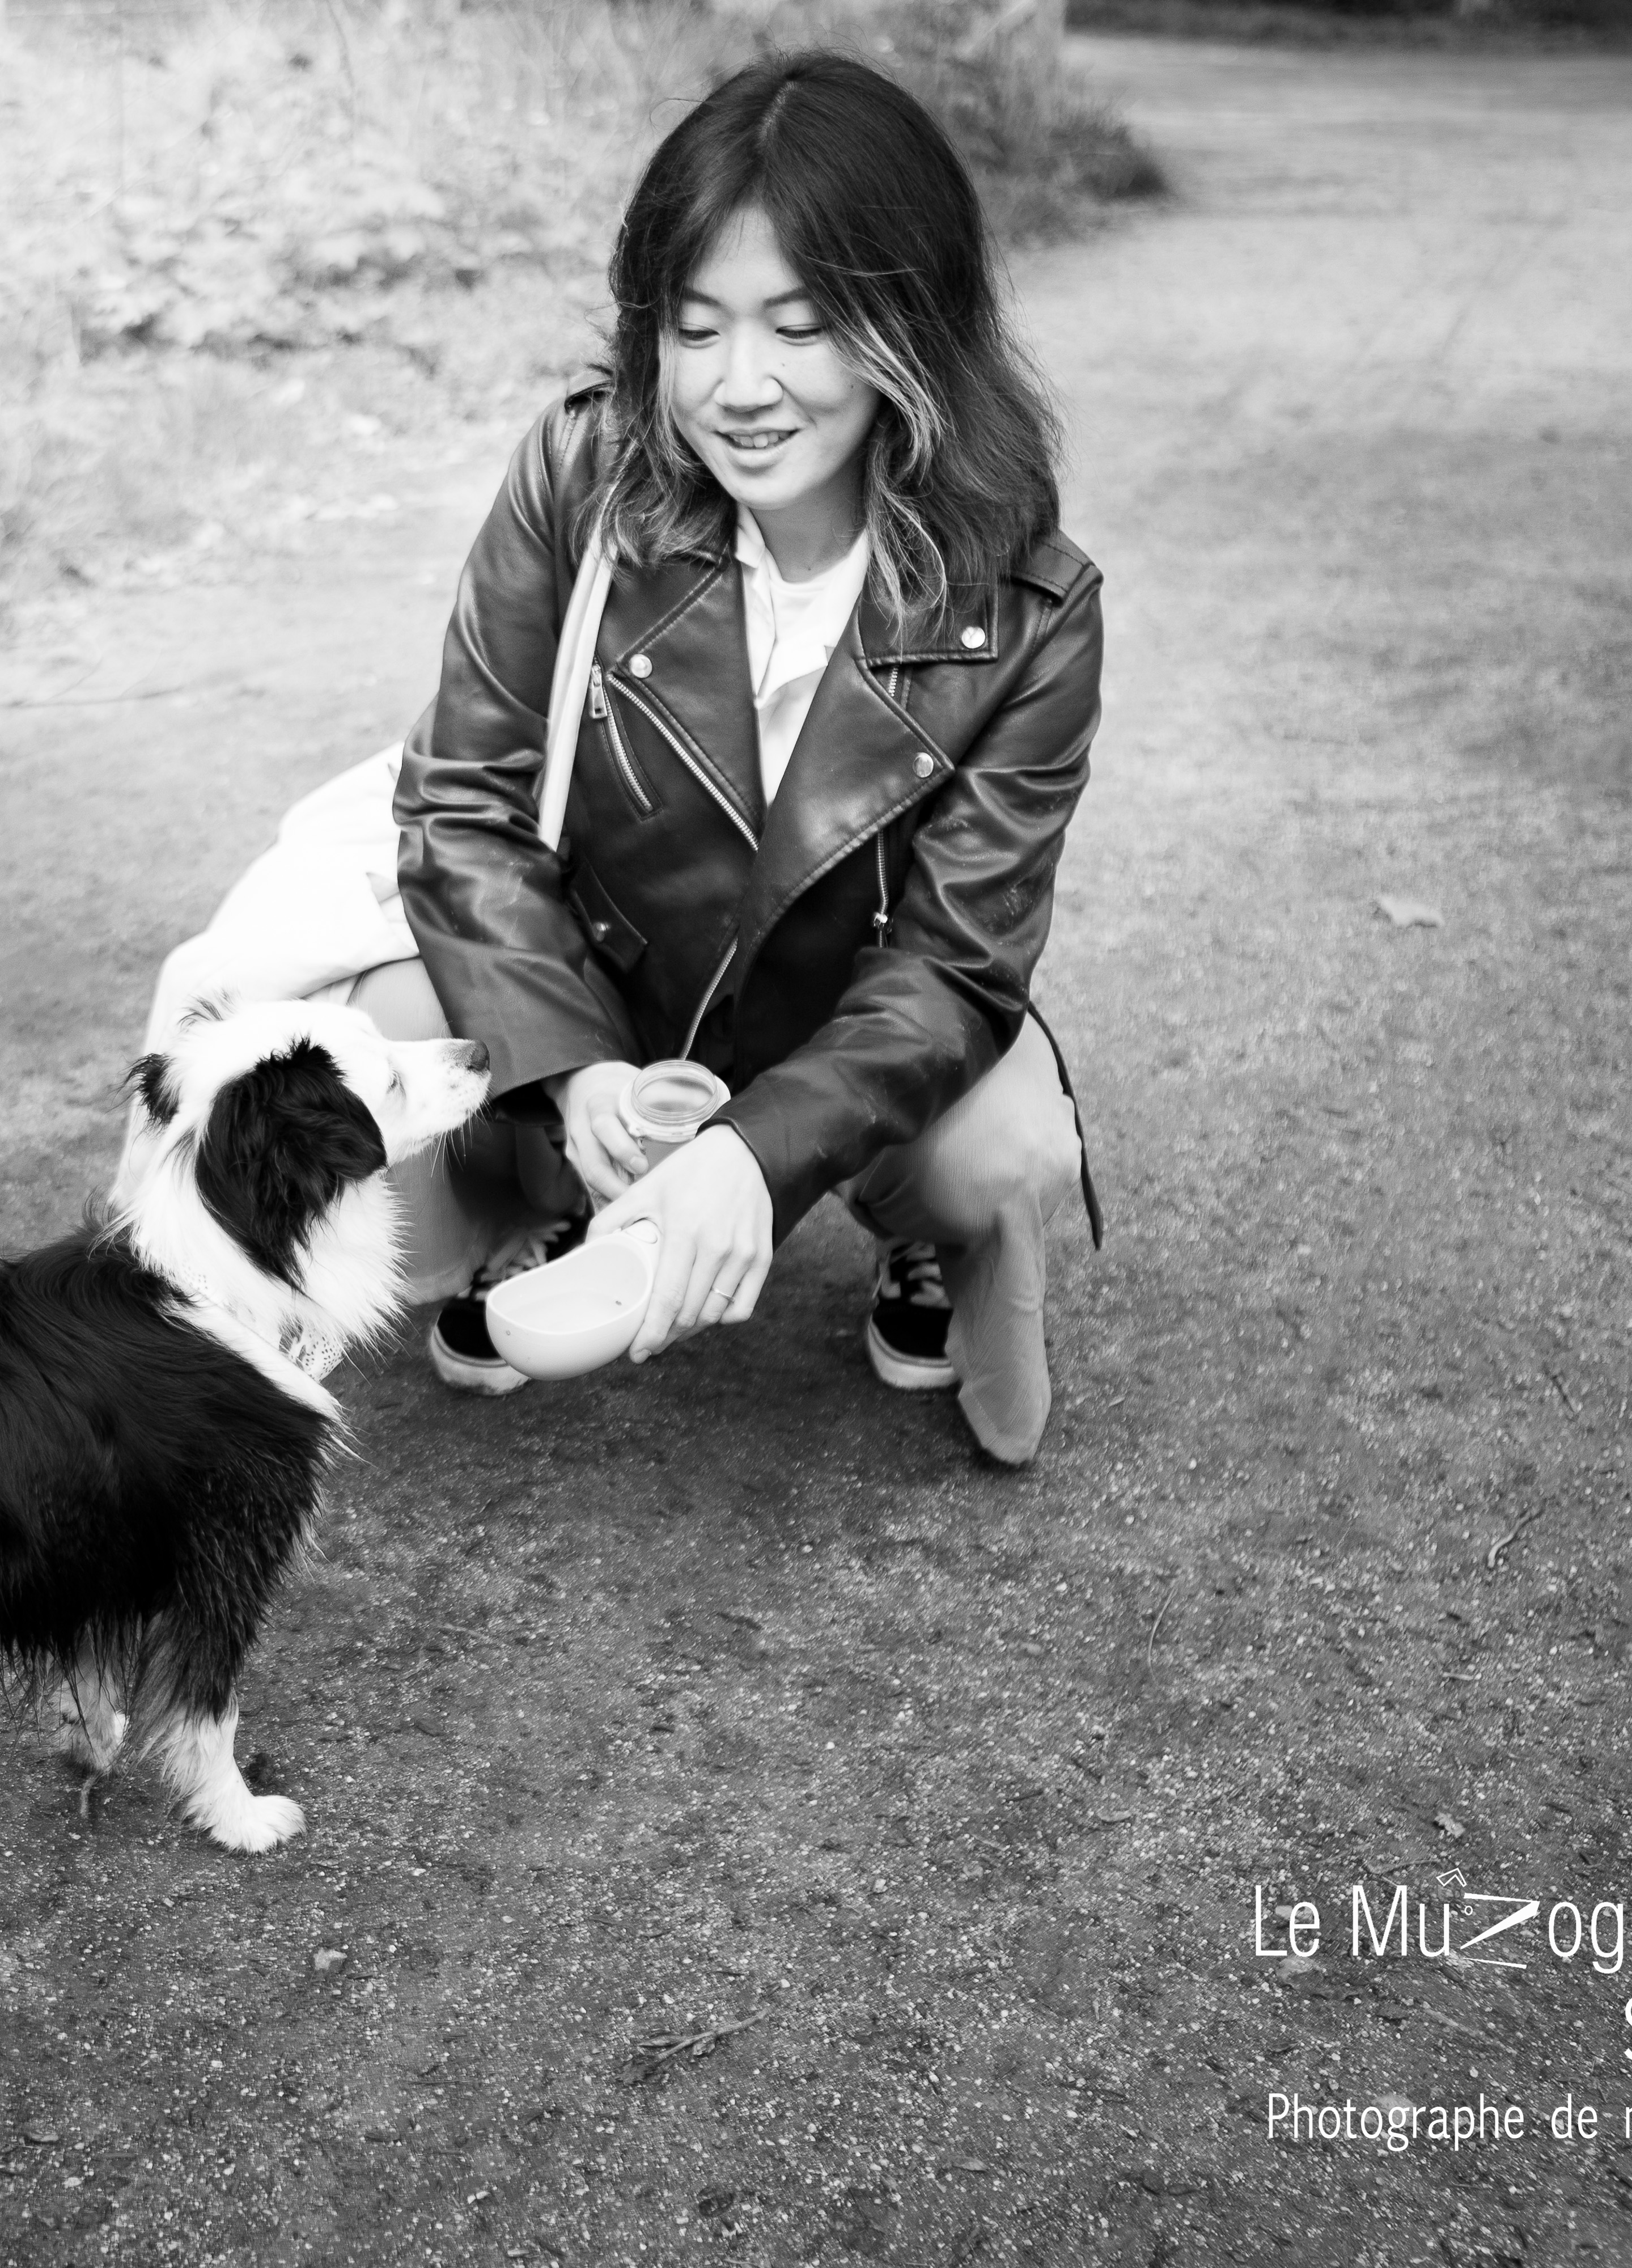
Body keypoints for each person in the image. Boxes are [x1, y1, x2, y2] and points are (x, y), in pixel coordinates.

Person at [370, 48, 1101, 1465]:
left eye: (802, 326)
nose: (739, 386)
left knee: (1003, 1146)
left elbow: (956, 966)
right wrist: (570, 1075)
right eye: (695, 329)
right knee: (385, 1027)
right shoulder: (581, 480)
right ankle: (560, 1191)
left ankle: (910, 1230)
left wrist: (753, 1153)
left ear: (911, 324)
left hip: (848, 1026)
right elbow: (462, 803)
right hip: (616, 984)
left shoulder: (1028, 606)